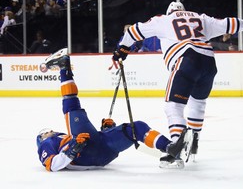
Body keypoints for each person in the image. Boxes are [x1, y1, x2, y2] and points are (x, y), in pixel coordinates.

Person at [112, 1, 243, 167]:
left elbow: (134, 30)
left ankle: (176, 145)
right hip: (209, 62)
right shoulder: (201, 18)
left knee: (173, 106)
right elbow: (229, 24)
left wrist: (123, 49)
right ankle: (193, 142)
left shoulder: (163, 19)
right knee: (198, 103)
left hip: (186, 58)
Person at [36, 48, 191, 171]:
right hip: (82, 154)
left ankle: (170, 147)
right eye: (46, 132)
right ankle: (64, 67)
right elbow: (53, 165)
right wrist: (71, 150)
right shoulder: (47, 142)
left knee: (136, 128)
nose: (50, 131)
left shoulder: (64, 137)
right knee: (72, 107)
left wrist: (107, 130)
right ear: (42, 137)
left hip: (103, 151)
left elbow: (91, 140)